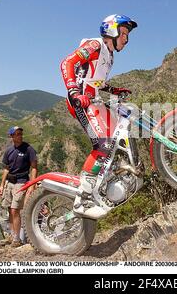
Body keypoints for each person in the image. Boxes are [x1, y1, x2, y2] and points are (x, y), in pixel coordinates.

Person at [60, 14, 137, 219]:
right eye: (123, 34)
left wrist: (113, 89)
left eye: (127, 36)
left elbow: (95, 81)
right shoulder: (95, 45)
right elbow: (67, 63)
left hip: (94, 100)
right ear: (110, 31)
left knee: (119, 136)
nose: (126, 39)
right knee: (102, 144)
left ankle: (105, 180)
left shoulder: (109, 55)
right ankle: (83, 199)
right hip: (81, 102)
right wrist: (74, 92)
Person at [0, 126, 37, 247]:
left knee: (15, 210)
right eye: (17, 134)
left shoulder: (29, 149)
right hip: (10, 183)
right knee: (10, 210)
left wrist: (32, 184)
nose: (20, 135)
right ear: (11, 136)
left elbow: (34, 167)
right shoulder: (9, 151)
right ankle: (13, 236)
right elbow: (6, 169)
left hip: (21, 182)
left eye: (20, 133)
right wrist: (2, 185)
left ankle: (17, 239)